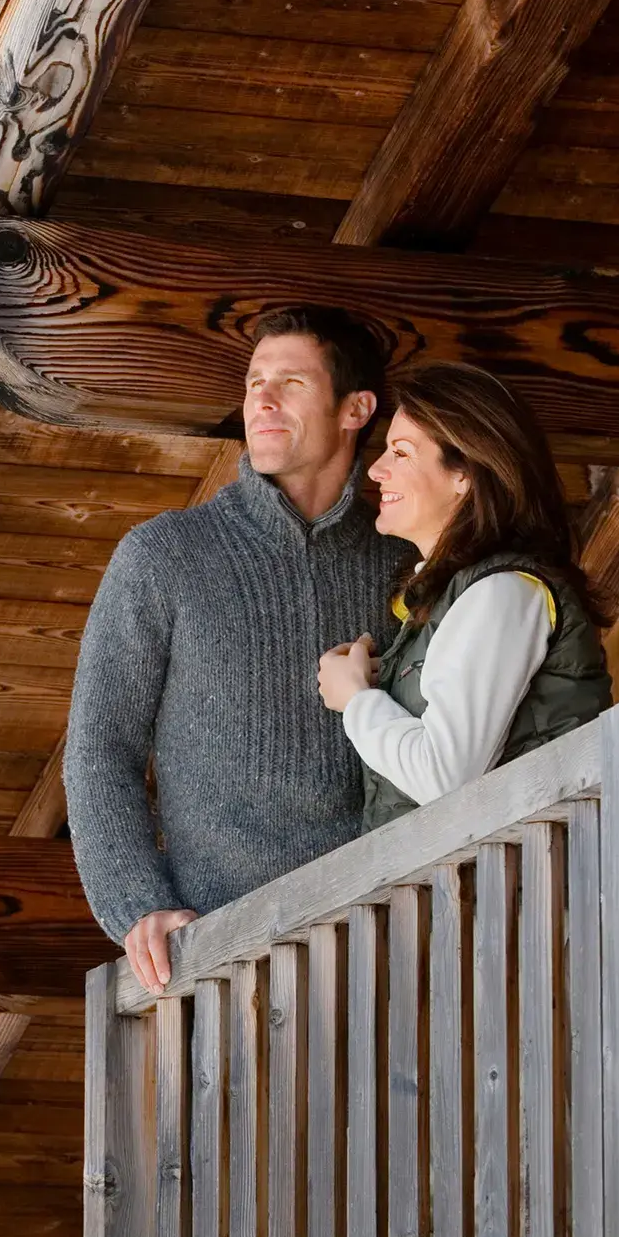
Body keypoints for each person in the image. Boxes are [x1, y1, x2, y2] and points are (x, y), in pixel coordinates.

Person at [65, 306, 404, 993]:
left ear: (355, 409)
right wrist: (140, 904)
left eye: (292, 383)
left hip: (382, 946)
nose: (262, 400)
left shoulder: (405, 560)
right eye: (254, 383)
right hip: (218, 962)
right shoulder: (165, 555)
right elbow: (100, 748)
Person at [317, 360, 612, 830]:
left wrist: (356, 700)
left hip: (524, 870)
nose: (376, 468)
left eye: (401, 452)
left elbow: (444, 778)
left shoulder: (502, 593)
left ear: (465, 474)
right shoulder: (460, 595)